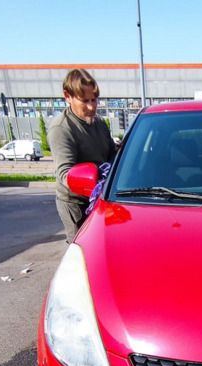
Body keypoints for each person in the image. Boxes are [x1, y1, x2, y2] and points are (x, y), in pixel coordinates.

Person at [49, 68, 117, 243]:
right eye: (85, 100)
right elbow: (65, 173)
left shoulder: (99, 123)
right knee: (83, 248)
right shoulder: (62, 129)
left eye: (94, 100)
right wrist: (93, 181)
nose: (91, 106)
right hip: (76, 203)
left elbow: (112, 155)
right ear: (68, 96)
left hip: (102, 197)